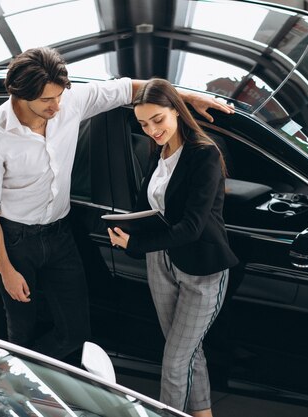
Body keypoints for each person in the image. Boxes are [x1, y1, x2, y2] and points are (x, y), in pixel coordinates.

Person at [0, 47, 235, 362]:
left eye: (59, 96)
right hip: (15, 241)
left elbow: (130, 89)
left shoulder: (69, 102)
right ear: (20, 94)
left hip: (60, 235)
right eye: (47, 101)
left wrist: (186, 98)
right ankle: (18, 379)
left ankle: (22, 367)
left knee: (76, 332)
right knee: (22, 333)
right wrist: (6, 271)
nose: (57, 106)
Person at [108, 78, 239, 416]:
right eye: (143, 124)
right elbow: (149, 207)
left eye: (158, 120)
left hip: (202, 268)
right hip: (160, 262)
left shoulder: (205, 155)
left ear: (177, 112)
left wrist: (136, 242)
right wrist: (125, 230)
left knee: (175, 361)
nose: (152, 129)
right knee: (187, 353)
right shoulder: (159, 152)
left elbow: (192, 228)